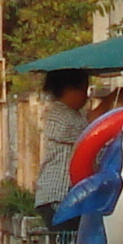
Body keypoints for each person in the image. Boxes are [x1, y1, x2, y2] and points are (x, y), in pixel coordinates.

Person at [30, 69, 92, 211]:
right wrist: (110, 101)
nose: (86, 97)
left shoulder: (75, 115)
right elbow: (89, 131)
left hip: (66, 196)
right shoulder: (60, 114)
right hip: (58, 196)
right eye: (84, 90)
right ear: (70, 90)